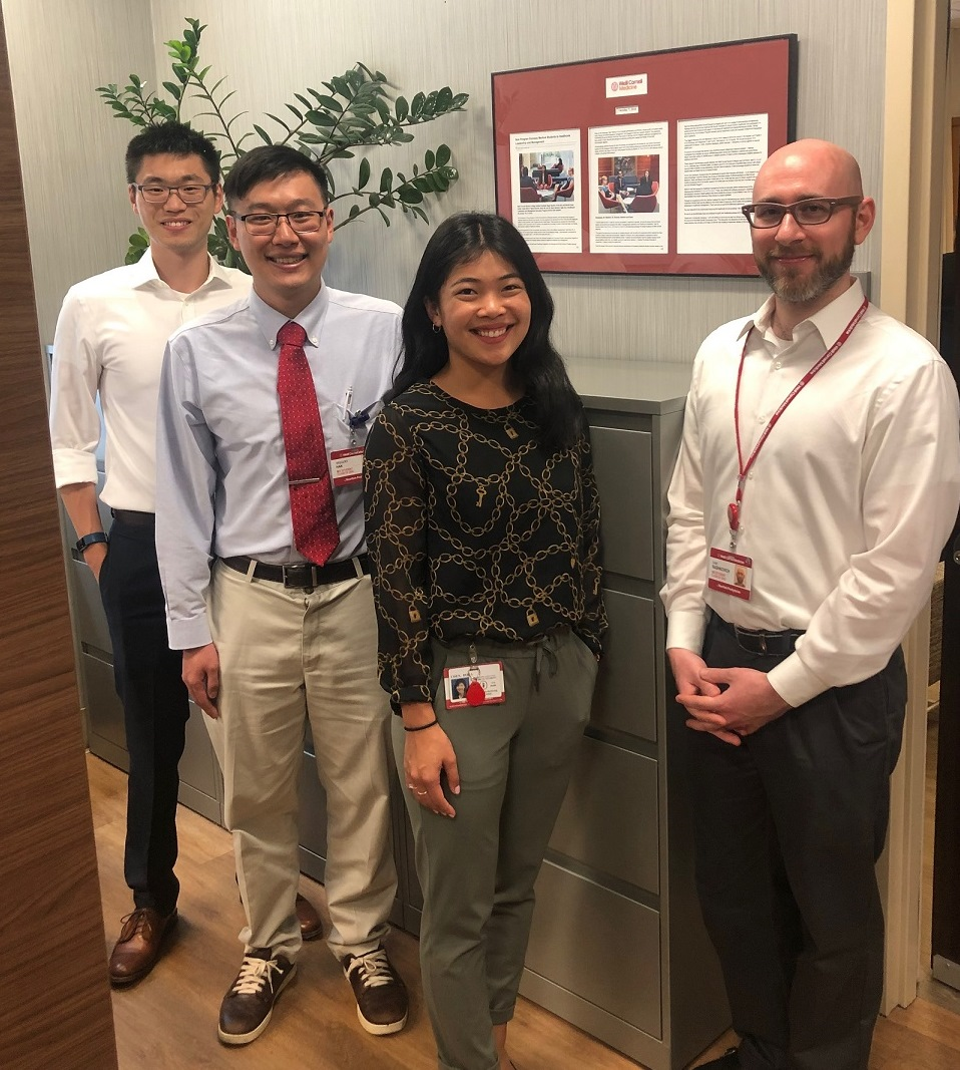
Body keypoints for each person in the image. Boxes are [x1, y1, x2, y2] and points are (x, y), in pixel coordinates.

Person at [661, 139, 960, 1070]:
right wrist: (682, 638)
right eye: (768, 212)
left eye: (813, 210)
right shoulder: (721, 354)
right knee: (736, 895)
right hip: (716, 663)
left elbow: (895, 573)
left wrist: (779, 688)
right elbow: (690, 506)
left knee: (831, 914)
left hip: (830, 687)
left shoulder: (906, 375)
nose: (787, 232)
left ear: (859, 221)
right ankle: (761, 1052)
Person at [154, 144, 408, 1046]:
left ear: (330, 221)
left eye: (302, 213)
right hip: (249, 597)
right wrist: (193, 631)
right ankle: (267, 944)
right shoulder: (195, 352)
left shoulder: (386, 331)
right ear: (234, 226)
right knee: (254, 793)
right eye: (261, 217)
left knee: (360, 782)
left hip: (355, 595)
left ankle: (362, 936)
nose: (284, 234)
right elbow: (183, 503)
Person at [364, 211, 606, 1070]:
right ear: (434, 309)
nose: (493, 307)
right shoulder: (407, 424)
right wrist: (417, 717)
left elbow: (585, 538)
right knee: (459, 904)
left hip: (556, 674)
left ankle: (492, 1048)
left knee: (515, 886)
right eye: (468, 291)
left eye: (510, 288)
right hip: (459, 687)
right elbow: (394, 581)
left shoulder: (552, 403)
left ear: (531, 299)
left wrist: (587, 650)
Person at [47, 121, 279, 986]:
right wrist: (99, 549)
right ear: (133, 197)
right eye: (156, 187)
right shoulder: (93, 302)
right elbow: (71, 440)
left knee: (252, 728)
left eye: (191, 186)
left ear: (219, 199)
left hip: (241, 540)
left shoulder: (250, 296)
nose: (174, 202)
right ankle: (152, 896)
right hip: (138, 543)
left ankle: (269, 889)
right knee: (153, 733)